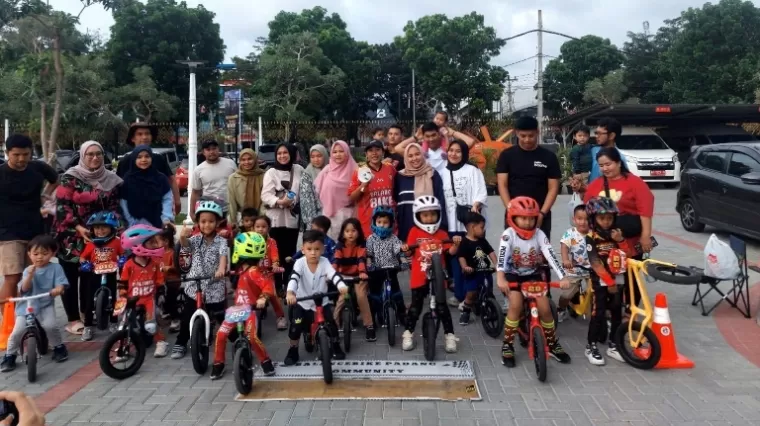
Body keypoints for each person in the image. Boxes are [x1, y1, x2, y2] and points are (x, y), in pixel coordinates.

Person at [54, 140, 123, 336]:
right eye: (90, 154)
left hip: (99, 236)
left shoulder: (111, 179)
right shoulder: (70, 178)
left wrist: (114, 231)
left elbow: (115, 208)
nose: (95, 158)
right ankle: (72, 319)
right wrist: (78, 227)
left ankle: (87, 313)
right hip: (71, 235)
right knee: (69, 278)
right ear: (82, 156)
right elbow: (62, 207)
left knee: (90, 276)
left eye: (98, 154)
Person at [496, 196, 571, 368]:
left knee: (545, 308)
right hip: (513, 275)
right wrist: (500, 277)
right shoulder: (508, 235)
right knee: (515, 305)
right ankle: (508, 345)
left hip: (533, 274)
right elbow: (501, 258)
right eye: (523, 218)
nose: (528, 222)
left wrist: (562, 277)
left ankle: (552, 344)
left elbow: (550, 255)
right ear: (513, 218)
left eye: (531, 218)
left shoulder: (539, 234)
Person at [584, 147, 654, 312]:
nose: (605, 169)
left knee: (631, 276)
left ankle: (630, 310)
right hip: (604, 243)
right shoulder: (595, 185)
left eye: (608, 164)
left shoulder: (635, 183)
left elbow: (645, 211)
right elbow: (587, 209)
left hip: (629, 241)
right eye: (601, 165)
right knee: (607, 274)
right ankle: (609, 309)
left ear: (618, 162)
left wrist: (646, 236)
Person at [0, 135, 58, 313]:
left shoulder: (38, 168)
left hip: (35, 231)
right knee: (12, 277)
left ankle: (26, 316)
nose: (21, 159)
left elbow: (55, 180)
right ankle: (7, 321)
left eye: (26, 154)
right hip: (7, 233)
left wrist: (45, 195)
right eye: (16, 155)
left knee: (32, 275)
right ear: (7, 152)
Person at [211, 232, 276, 380]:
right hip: (237, 310)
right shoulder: (241, 270)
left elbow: (268, 286)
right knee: (221, 334)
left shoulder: (253, 272)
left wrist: (263, 298)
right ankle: (218, 363)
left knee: (251, 337)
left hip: (250, 309)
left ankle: (265, 361)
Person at [401, 196, 460, 353]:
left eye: (433, 214)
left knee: (442, 307)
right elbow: (408, 254)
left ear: (438, 215)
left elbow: (451, 252)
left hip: (439, 276)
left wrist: (455, 244)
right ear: (418, 216)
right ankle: (408, 333)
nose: (429, 218)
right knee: (415, 307)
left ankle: (450, 336)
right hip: (420, 276)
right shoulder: (414, 232)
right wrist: (407, 249)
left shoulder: (441, 233)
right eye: (425, 215)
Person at [0, 235, 68, 372]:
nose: (39, 257)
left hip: (44, 303)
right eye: (35, 254)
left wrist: (59, 288)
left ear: (53, 253)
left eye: (44, 253)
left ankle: (58, 347)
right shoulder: (28, 270)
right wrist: (30, 276)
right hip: (26, 305)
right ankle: (10, 355)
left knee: (50, 326)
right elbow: (24, 289)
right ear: (29, 254)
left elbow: (61, 283)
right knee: (17, 332)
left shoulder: (56, 268)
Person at [171, 200, 229, 359]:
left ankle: (238, 341)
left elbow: (223, 257)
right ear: (197, 222)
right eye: (203, 221)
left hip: (214, 284)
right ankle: (181, 342)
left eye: (211, 221)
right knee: (187, 315)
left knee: (221, 315)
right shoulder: (195, 240)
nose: (207, 225)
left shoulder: (221, 241)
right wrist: (182, 236)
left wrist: (221, 269)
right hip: (195, 283)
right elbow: (185, 245)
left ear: (218, 222)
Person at [582, 197, 636, 366]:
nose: (606, 222)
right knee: (598, 313)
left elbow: (628, 254)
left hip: (618, 278)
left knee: (616, 312)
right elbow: (595, 262)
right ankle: (591, 346)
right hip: (601, 280)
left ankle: (614, 343)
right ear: (593, 219)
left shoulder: (616, 233)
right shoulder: (591, 237)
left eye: (609, 218)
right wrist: (609, 282)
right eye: (601, 218)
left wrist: (620, 241)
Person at [284, 230, 347, 365]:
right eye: (309, 249)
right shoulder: (300, 263)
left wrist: (341, 285)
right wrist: (290, 293)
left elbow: (333, 275)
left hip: (321, 301)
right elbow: (294, 278)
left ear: (323, 249)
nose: (313, 253)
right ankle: (293, 349)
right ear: (303, 250)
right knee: (296, 327)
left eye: (317, 249)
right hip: (303, 302)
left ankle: (335, 345)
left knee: (331, 324)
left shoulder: (324, 262)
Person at [496, 116, 561, 240]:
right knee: (514, 253)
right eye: (523, 136)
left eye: (531, 136)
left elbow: (553, 188)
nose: (527, 140)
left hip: (541, 214)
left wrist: (542, 213)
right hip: (514, 214)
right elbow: (502, 185)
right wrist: (511, 210)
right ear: (516, 133)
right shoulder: (507, 156)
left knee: (541, 253)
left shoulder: (549, 157)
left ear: (537, 132)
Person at [442, 140, 488, 306]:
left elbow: (480, 192)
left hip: (470, 223)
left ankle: (482, 292)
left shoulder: (472, 171)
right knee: (456, 258)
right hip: (451, 224)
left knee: (477, 256)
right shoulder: (441, 172)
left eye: (458, 151)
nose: (454, 154)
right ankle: (460, 293)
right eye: (451, 150)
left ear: (464, 153)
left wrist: (476, 204)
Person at [118, 225, 170, 357]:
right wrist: (123, 295)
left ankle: (161, 342)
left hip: (148, 299)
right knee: (125, 323)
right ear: (139, 245)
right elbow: (123, 282)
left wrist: (160, 293)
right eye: (151, 243)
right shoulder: (129, 264)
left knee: (151, 325)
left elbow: (159, 280)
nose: (154, 246)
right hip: (132, 299)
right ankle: (123, 347)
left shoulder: (154, 263)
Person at [261, 144, 304, 296]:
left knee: (290, 253)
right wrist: (280, 202)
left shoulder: (299, 170)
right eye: (279, 153)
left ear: (291, 154)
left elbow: (304, 190)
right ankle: (277, 285)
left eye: (285, 152)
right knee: (275, 254)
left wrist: (292, 202)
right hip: (275, 220)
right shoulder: (271, 172)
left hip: (292, 219)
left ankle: (289, 284)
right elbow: (265, 195)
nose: (282, 156)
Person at [115, 122, 180, 214]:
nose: (144, 137)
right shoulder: (125, 161)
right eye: (140, 134)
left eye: (147, 134)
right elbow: (118, 187)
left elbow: (171, 180)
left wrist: (177, 201)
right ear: (133, 138)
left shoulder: (158, 158)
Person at [78, 211, 124, 340]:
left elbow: (123, 254)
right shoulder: (91, 243)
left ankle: (114, 322)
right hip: (95, 274)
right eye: (97, 228)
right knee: (89, 300)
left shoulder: (116, 242)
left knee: (113, 298)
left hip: (110, 273)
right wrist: (85, 264)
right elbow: (82, 257)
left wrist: (122, 260)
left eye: (104, 227)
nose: (100, 230)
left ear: (112, 228)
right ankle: (88, 326)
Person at [393, 143, 447, 241]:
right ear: (405, 158)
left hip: (431, 231)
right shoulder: (400, 176)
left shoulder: (433, 174)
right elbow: (396, 200)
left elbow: (441, 202)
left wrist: (442, 227)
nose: (414, 158)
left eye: (417, 154)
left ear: (422, 154)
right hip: (405, 230)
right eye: (410, 156)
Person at [332, 218, 373, 341]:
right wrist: (332, 272)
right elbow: (336, 260)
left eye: (353, 230)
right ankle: (334, 326)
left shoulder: (361, 245)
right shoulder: (340, 246)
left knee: (361, 296)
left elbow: (361, 259)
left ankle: (369, 325)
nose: (350, 233)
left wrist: (362, 272)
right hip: (343, 276)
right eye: (347, 231)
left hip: (358, 275)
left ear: (359, 232)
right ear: (343, 233)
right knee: (341, 300)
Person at [365, 206, 406, 327]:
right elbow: (369, 254)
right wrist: (369, 265)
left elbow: (399, 251)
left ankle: (402, 314)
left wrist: (403, 262)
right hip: (376, 270)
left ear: (391, 224)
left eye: (385, 222)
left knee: (396, 292)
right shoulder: (371, 239)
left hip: (391, 268)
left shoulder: (393, 238)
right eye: (379, 222)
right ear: (374, 222)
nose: (382, 225)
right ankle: (374, 316)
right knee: (374, 295)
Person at [348, 140, 396, 238]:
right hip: (368, 225)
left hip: (389, 223)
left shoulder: (390, 168)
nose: (374, 153)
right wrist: (362, 186)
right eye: (370, 150)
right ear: (366, 154)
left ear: (383, 152)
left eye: (377, 150)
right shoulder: (359, 172)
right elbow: (352, 198)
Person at [456, 213, 497, 325]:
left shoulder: (482, 241)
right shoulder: (464, 242)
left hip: (485, 271)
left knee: (489, 291)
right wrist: (465, 267)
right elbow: (461, 256)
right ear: (472, 227)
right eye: (482, 227)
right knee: (471, 294)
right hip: (472, 273)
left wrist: (497, 264)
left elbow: (491, 252)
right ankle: (466, 312)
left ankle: (491, 306)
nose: (483, 230)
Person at [120, 145, 173, 228]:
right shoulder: (127, 179)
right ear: (134, 159)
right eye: (139, 157)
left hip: (158, 224)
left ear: (152, 158)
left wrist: (165, 219)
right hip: (134, 226)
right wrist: (132, 222)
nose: (143, 160)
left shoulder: (160, 178)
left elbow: (167, 199)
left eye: (147, 156)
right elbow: (123, 203)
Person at [395, 122, 476, 176]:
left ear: (439, 134)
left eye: (433, 135)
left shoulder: (449, 150)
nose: (431, 139)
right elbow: (398, 148)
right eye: (427, 136)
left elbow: (470, 142)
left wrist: (453, 133)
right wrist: (416, 137)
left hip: (447, 190)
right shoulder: (420, 152)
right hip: (428, 190)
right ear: (423, 136)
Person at [314, 141, 357, 241]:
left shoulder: (355, 169)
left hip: (348, 214)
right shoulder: (327, 170)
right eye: (335, 152)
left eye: (341, 151)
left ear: (347, 152)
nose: (338, 154)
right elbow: (317, 189)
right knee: (330, 245)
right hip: (329, 215)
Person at [249, 215, 286, 330]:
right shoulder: (249, 241)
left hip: (268, 275)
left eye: (264, 226)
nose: (260, 229)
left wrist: (275, 265)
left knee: (273, 296)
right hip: (253, 274)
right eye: (257, 227)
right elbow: (245, 256)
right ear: (253, 228)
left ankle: (280, 317)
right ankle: (246, 319)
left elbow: (275, 255)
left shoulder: (271, 242)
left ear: (268, 228)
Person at [558, 204, 591, 323]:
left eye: (587, 219)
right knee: (566, 294)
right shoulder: (570, 233)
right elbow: (564, 247)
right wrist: (566, 260)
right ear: (574, 219)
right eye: (579, 219)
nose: (583, 222)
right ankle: (561, 309)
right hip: (574, 269)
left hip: (592, 269)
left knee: (598, 290)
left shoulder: (594, 233)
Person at [189, 140, 237, 220]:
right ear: (203, 152)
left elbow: (238, 186)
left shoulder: (230, 164)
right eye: (208, 150)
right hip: (209, 210)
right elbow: (195, 192)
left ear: (218, 149)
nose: (212, 152)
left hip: (230, 209)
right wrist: (192, 213)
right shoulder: (198, 170)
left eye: (214, 149)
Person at [227, 148, 266, 225]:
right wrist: (232, 222)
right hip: (241, 220)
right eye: (243, 160)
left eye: (250, 159)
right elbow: (231, 202)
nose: (246, 162)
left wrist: (261, 219)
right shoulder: (233, 178)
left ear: (255, 159)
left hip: (260, 220)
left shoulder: (264, 176)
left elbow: (265, 200)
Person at [588, 118, 627, 183]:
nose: (596, 136)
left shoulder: (620, 158)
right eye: (596, 133)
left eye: (600, 133)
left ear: (611, 136)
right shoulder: (593, 151)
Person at [158, 226, 182, 333]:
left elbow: (178, 267)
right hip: (162, 281)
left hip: (172, 281)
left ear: (166, 241)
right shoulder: (158, 253)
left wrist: (168, 268)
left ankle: (176, 319)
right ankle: (165, 311)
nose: (156, 243)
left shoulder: (173, 253)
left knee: (170, 300)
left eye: (158, 241)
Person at [299, 145, 328, 231]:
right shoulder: (307, 174)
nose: (316, 159)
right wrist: (313, 222)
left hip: (333, 216)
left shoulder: (332, 170)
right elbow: (307, 200)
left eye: (319, 156)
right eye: (313, 157)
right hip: (316, 218)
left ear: (325, 156)